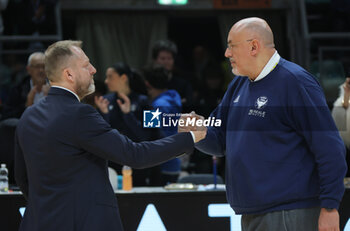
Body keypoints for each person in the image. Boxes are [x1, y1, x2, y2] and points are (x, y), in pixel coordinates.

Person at [14, 40, 206, 231]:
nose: (93, 69)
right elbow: (135, 155)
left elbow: (22, 178)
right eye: (86, 64)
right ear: (69, 74)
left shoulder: (28, 116)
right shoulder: (80, 114)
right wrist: (188, 138)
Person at [179, 17, 347, 231]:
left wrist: (330, 207)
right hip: (252, 212)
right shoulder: (238, 84)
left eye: (231, 46)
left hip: (290, 212)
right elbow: (219, 141)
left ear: (254, 46)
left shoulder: (295, 82)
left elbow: (330, 148)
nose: (226, 54)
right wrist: (199, 133)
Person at [95, 62, 161, 186]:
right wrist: (104, 114)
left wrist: (128, 114)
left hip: (140, 163)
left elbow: (149, 137)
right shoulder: (105, 101)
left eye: (110, 77)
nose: (106, 81)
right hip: (113, 162)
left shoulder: (146, 101)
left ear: (123, 78)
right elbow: (101, 135)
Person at [144, 65, 183, 184]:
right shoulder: (173, 98)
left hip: (161, 163)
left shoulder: (155, 106)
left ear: (148, 84)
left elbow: (150, 135)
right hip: (174, 160)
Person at [2, 52, 50, 120]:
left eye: (44, 66)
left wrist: (51, 99)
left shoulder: (55, 88)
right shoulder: (18, 89)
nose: (41, 70)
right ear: (28, 69)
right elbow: (6, 115)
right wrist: (27, 106)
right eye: (37, 66)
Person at [152, 39, 193, 111]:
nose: (166, 62)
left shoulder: (183, 84)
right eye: (162, 58)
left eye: (169, 58)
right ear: (155, 60)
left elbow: (189, 106)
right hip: (153, 118)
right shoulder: (149, 82)